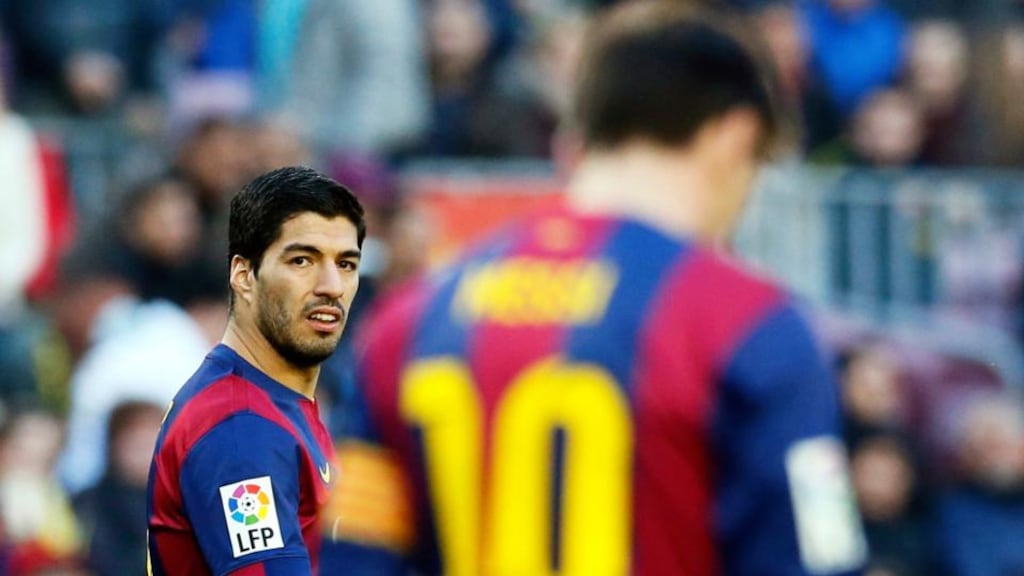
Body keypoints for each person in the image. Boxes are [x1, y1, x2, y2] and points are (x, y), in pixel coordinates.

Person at [323, 3, 866, 575]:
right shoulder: (751, 325)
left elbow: (350, 556)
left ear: (575, 138)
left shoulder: (405, 323)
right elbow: (816, 559)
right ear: (734, 135)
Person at [146, 166, 365, 575]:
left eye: (347, 264)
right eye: (302, 260)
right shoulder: (239, 429)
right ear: (244, 276)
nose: (331, 286)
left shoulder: (273, 403)